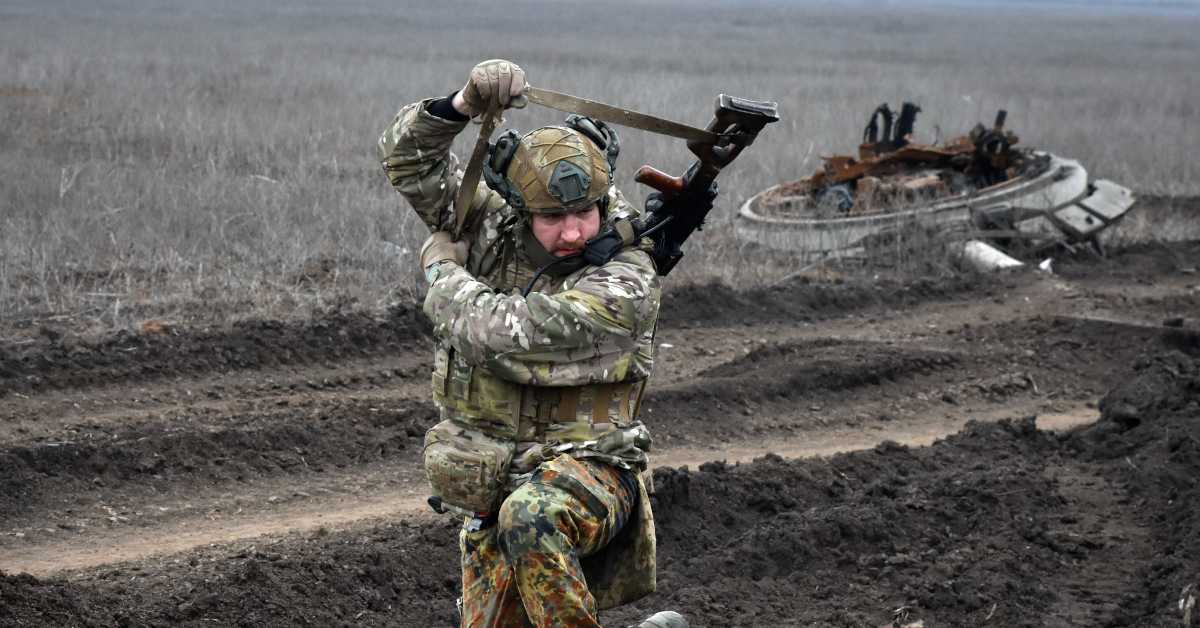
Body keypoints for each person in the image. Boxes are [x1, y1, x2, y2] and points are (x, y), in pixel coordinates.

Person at [377, 60, 690, 628]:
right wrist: (463, 105)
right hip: (498, 474)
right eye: (553, 217)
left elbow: (504, 338)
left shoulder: (627, 279)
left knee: (534, 514)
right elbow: (407, 160)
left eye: (583, 213)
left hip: (595, 469)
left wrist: (442, 273)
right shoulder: (495, 227)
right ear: (521, 210)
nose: (572, 231)